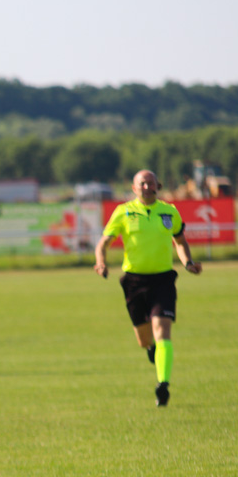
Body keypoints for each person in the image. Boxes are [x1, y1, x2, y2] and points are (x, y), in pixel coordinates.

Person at [94, 169, 202, 407]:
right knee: (145, 340)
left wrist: (188, 263)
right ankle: (152, 349)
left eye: (150, 183)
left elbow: (180, 241)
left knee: (162, 330)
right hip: (134, 282)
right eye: (141, 183)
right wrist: (101, 263)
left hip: (163, 280)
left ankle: (163, 384)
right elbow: (103, 243)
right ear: (134, 188)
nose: (146, 187)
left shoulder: (169, 211)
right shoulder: (123, 212)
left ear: (157, 186)